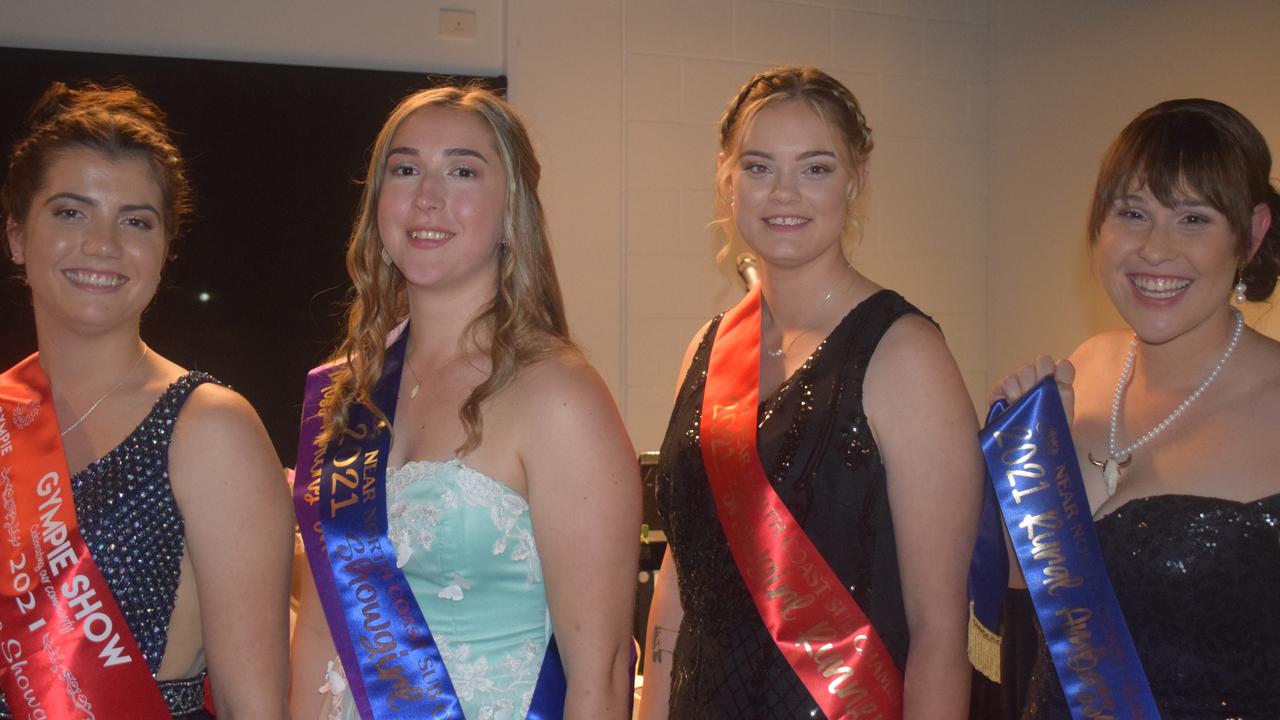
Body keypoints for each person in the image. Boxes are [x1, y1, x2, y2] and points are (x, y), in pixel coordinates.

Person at [637, 66, 983, 720]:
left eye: (816, 168)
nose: (784, 193)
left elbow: (940, 630)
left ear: (856, 180)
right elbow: (682, 582)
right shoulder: (706, 351)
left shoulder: (905, 355)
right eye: (760, 166)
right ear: (727, 179)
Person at [288, 85, 640, 720]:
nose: (427, 196)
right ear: (378, 204)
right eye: (405, 169)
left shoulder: (558, 395)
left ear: (512, 211)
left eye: (461, 170)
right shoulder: (347, 392)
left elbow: (605, 672)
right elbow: (319, 631)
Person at [0, 82, 293, 718]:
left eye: (136, 221)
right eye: (70, 212)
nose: (103, 244)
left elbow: (258, 706)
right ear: (17, 236)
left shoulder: (208, 426)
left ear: (164, 250)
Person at [990, 99, 1280, 718]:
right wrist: (1026, 463)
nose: (1154, 249)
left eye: (1194, 219)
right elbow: (1029, 604)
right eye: (1132, 213)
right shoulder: (1086, 367)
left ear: (1252, 234)